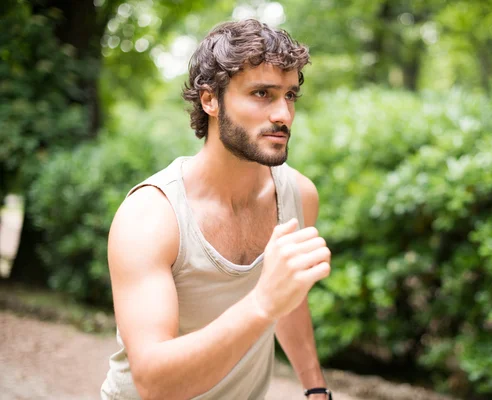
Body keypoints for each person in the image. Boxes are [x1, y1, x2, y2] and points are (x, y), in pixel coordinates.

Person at [101, 19, 333, 400]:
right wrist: (261, 303)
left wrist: (315, 388)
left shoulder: (298, 195)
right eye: (262, 93)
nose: (284, 115)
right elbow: (152, 382)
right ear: (210, 100)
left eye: (290, 96)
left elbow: (288, 300)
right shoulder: (150, 216)